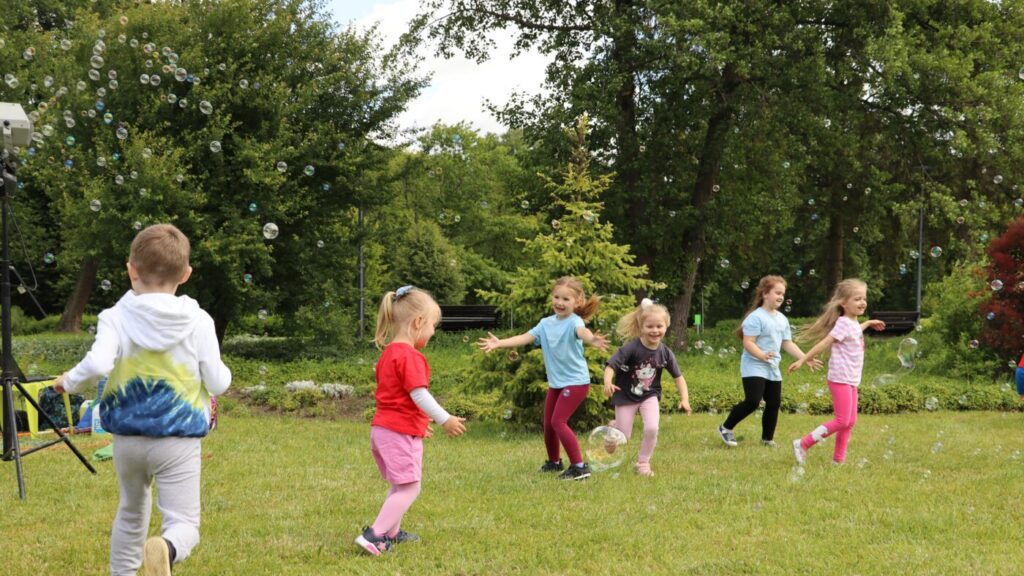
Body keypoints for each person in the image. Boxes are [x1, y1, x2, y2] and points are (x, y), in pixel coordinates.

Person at [54, 224, 231, 576]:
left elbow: (98, 364)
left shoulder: (115, 317)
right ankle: (166, 548)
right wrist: (222, 375)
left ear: (131, 270)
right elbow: (217, 382)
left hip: (128, 440)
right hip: (178, 440)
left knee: (131, 511)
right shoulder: (199, 321)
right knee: (183, 522)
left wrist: (68, 382)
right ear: (186, 274)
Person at [356, 285, 467, 556]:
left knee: (399, 485)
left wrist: (417, 424)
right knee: (410, 488)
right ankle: (375, 535)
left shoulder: (389, 354)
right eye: (432, 325)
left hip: (384, 429)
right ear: (418, 322)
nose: (432, 332)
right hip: (396, 432)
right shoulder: (410, 356)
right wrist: (444, 419)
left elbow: (397, 397)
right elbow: (418, 394)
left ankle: (392, 533)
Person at [478, 276, 609, 480]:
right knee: (548, 424)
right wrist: (499, 343)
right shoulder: (545, 324)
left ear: (577, 302)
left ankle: (579, 467)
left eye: (566, 299)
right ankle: (554, 462)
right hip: (556, 383)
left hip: (576, 382)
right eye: (556, 297)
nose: (559, 302)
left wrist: (592, 339)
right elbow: (525, 337)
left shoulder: (575, 321)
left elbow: (582, 332)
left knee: (558, 421)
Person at [788, 279, 885, 466]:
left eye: (864, 298)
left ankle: (838, 460)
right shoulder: (842, 323)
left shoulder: (852, 322)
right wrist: (803, 359)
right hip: (840, 378)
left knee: (850, 421)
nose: (862, 302)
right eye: (857, 299)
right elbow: (825, 342)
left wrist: (867, 323)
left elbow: (854, 331)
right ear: (843, 303)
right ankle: (803, 443)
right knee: (842, 420)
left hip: (851, 379)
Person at [717, 276, 820, 448]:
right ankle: (726, 428)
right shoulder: (755, 317)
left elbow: (787, 343)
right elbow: (748, 342)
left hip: (772, 366)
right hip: (754, 365)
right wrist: (761, 355)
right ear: (765, 293)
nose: (781, 297)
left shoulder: (782, 319)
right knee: (753, 401)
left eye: (783, 294)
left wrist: (805, 358)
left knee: (774, 403)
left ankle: (767, 439)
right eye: (777, 293)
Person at [602, 299, 691, 477]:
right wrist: (608, 382)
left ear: (666, 326)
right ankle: (614, 428)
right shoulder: (631, 348)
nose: (655, 330)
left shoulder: (665, 352)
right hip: (626, 396)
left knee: (652, 428)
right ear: (641, 327)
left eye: (659, 326)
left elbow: (678, 377)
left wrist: (684, 399)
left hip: (649, 395)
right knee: (624, 436)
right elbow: (611, 365)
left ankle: (643, 463)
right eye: (650, 326)